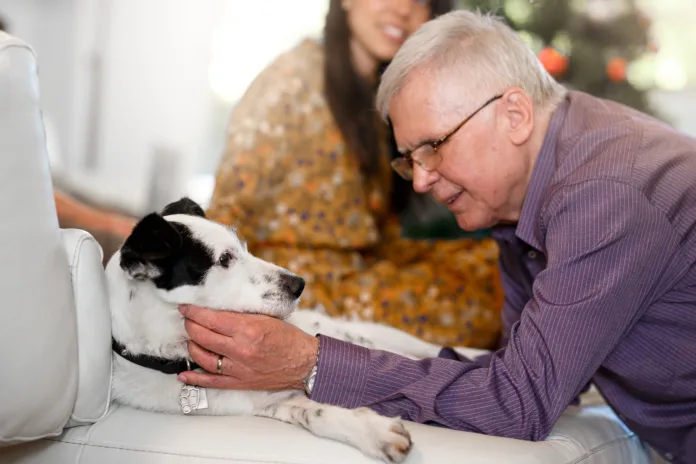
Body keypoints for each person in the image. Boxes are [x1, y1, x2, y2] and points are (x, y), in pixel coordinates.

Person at [178, 9, 696, 463]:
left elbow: (518, 402)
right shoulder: (526, 192)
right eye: (410, 159)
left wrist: (310, 363)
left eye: (434, 147)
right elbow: (524, 370)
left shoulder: (605, 194)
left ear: (514, 114)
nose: (421, 179)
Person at [205, 0, 504, 348]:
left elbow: (376, 235)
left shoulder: (373, 96)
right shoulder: (292, 78)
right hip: (303, 287)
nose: (403, 9)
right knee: (480, 294)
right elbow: (225, 210)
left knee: (495, 262)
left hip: (362, 269)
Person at [0, 13, 136, 257]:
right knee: (117, 231)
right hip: (33, 197)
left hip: (51, 180)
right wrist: (107, 222)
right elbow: (27, 192)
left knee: (127, 211)